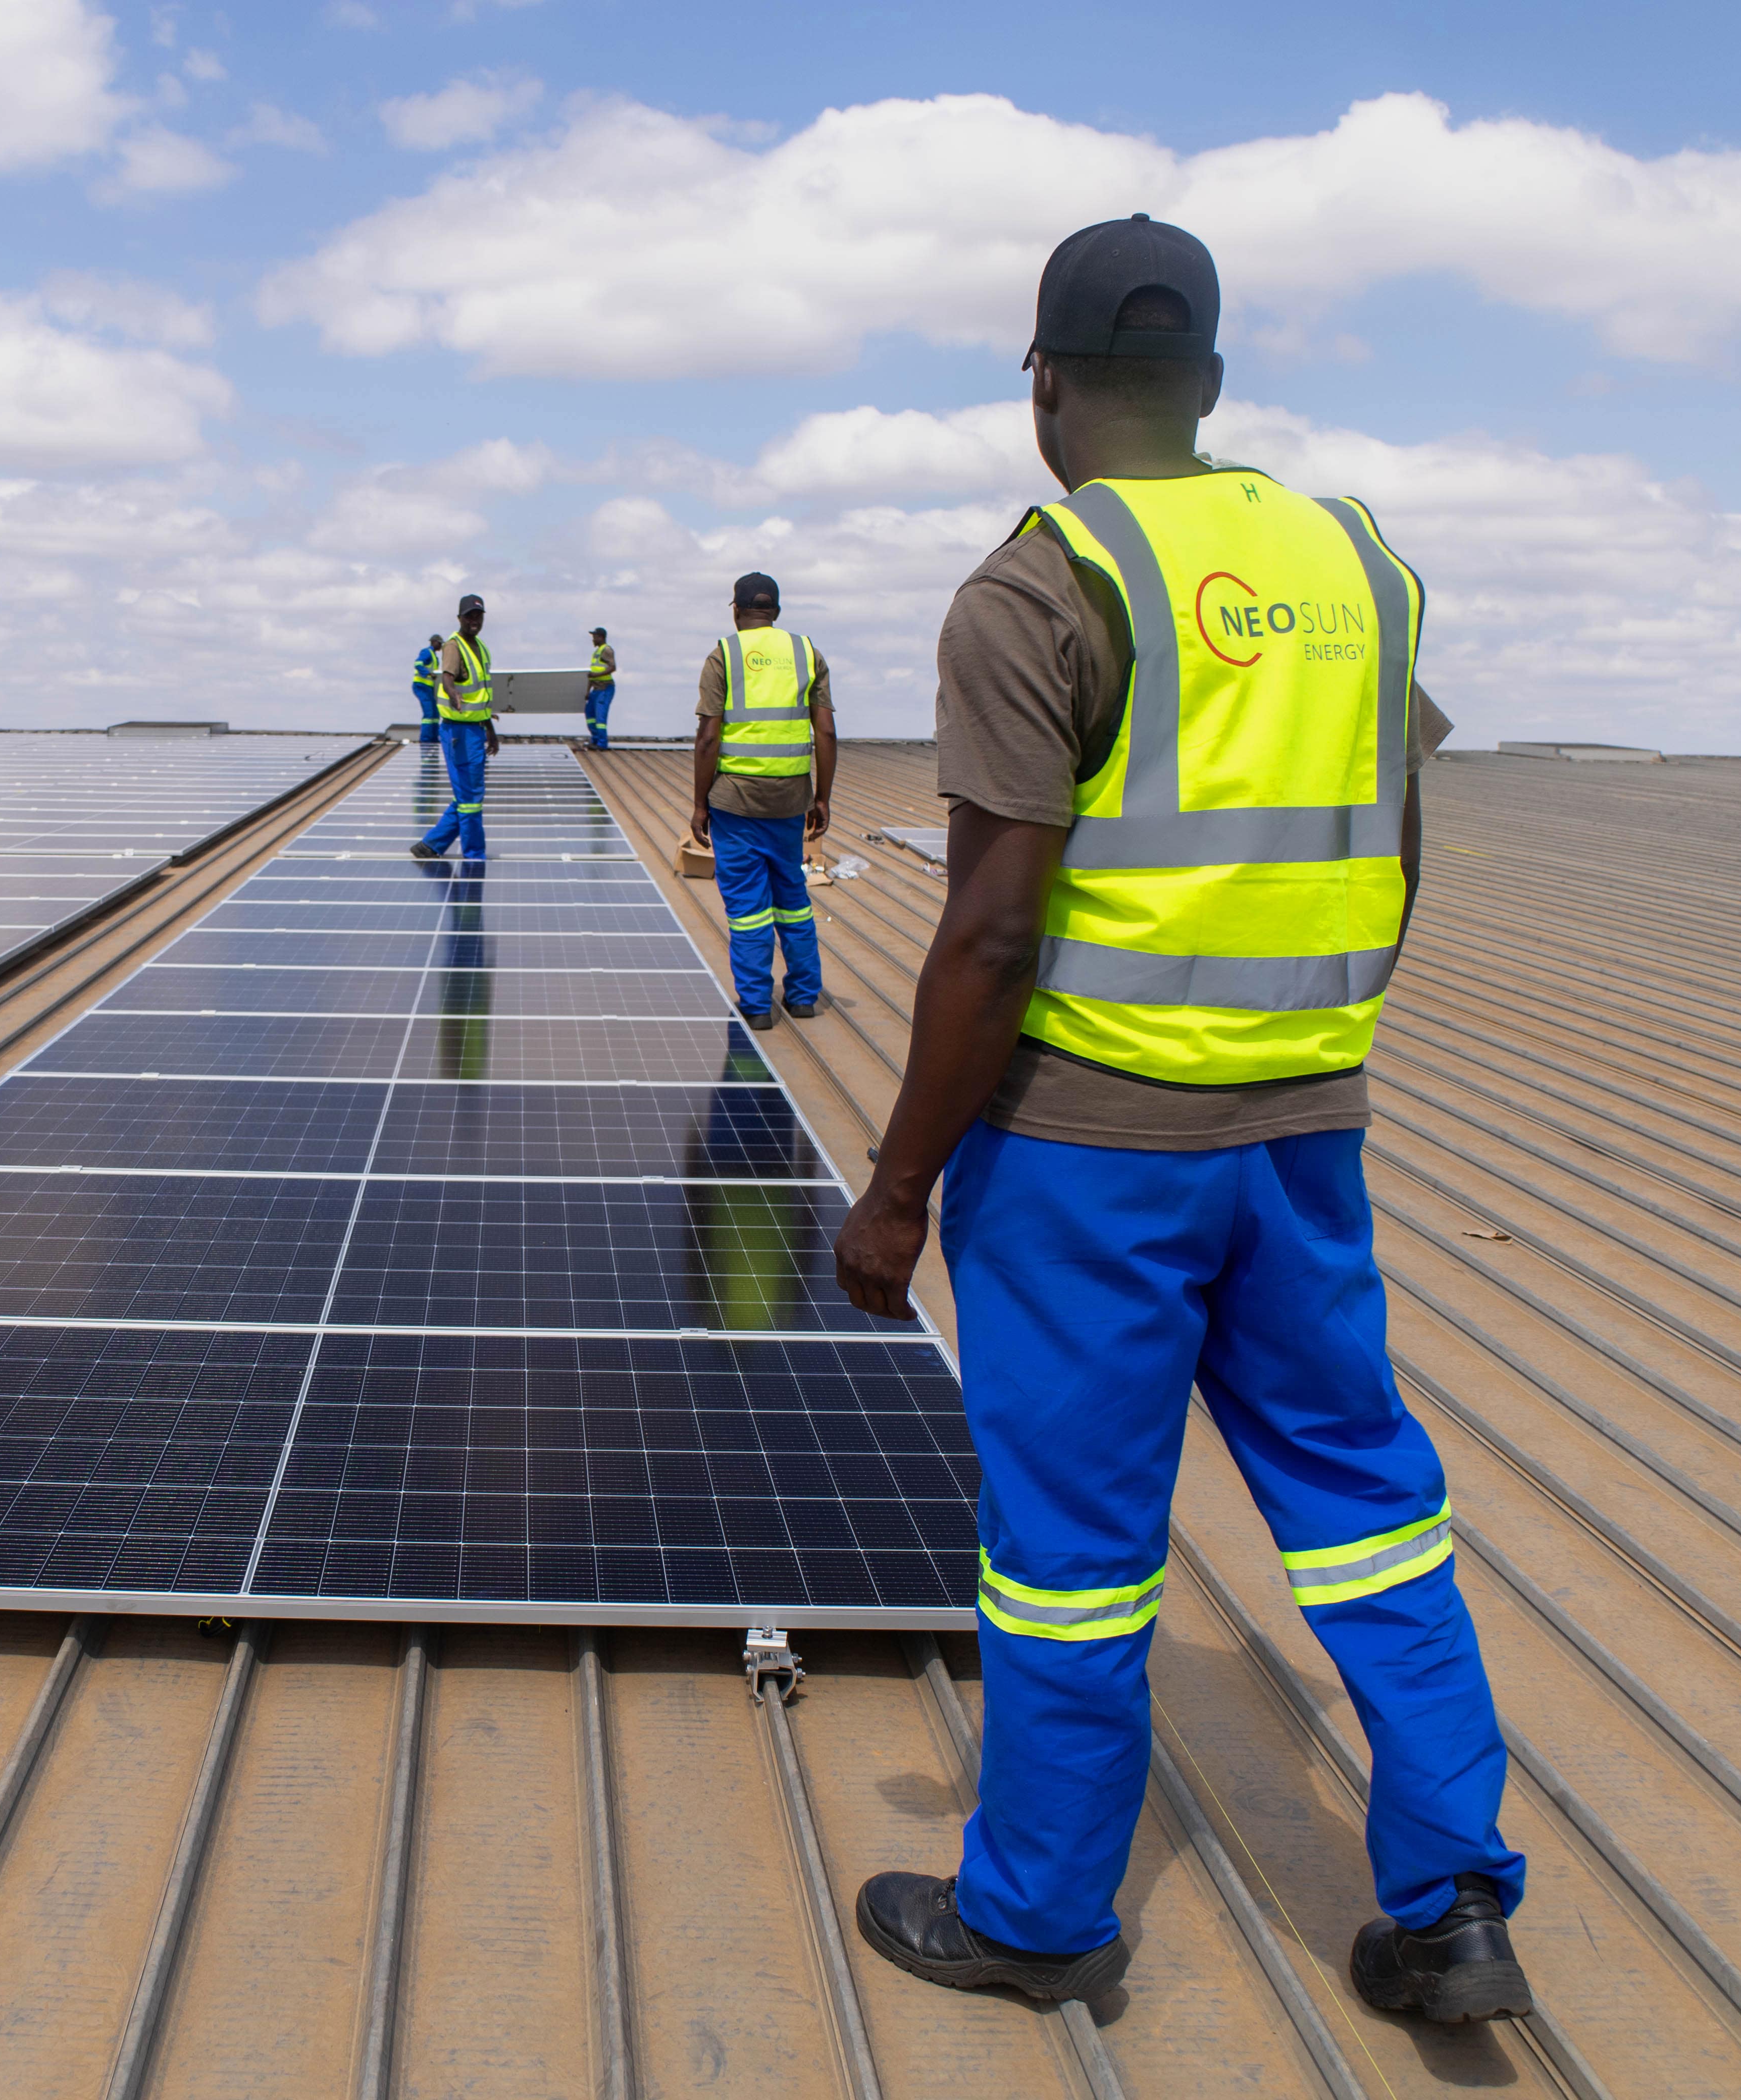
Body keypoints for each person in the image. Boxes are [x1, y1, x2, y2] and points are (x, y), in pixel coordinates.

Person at [834, 215, 1531, 2029]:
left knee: (1070, 1552)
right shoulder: (1357, 564)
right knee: (1369, 1508)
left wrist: (898, 1186)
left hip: (1086, 1155)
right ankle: (1451, 1899)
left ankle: (1046, 1917)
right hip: (1304, 1133)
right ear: (1210, 385)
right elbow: (1392, 836)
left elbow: (990, 925)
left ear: (1042, 385)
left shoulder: (1039, 582)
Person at [691, 572, 834, 1030]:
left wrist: (699, 804)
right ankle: (804, 997)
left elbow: (709, 737)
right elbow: (826, 732)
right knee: (792, 895)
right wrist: (823, 797)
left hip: (736, 802)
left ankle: (756, 1005)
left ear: (736, 610)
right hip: (791, 800)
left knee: (748, 906)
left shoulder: (725, 654)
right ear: (776, 610)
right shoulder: (806, 653)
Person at [413, 593, 496, 862]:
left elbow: (481, 696)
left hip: (474, 731)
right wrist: (452, 694)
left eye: (478, 616)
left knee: (468, 794)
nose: (474, 621)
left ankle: (431, 845)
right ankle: (474, 856)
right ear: (460, 618)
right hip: (458, 732)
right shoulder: (453, 646)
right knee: (471, 797)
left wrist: (490, 731)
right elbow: (448, 679)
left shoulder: (482, 648)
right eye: (469, 616)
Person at [585, 626, 618, 750]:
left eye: (595, 637)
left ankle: (602, 744)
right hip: (596, 690)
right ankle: (595, 740)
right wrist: (588, 691)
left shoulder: (607, 650)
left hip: (605, 689)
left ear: (601, 638)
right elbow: (592, 674)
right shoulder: (597, 653)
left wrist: (596, 675)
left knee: (600, 718)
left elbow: (613, 667)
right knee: (590, 715)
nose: (593, 640)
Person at [412, 632, 443, 746]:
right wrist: (429, 673)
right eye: (440, 644)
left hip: (429, 688)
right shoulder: (427, 652)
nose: (441, 646)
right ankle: (426, 740)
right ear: (434, 642)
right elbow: (418, 664)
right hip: (421, 686)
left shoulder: (435, 657)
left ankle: (434, 738)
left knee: (435, 713)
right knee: (429, 713)